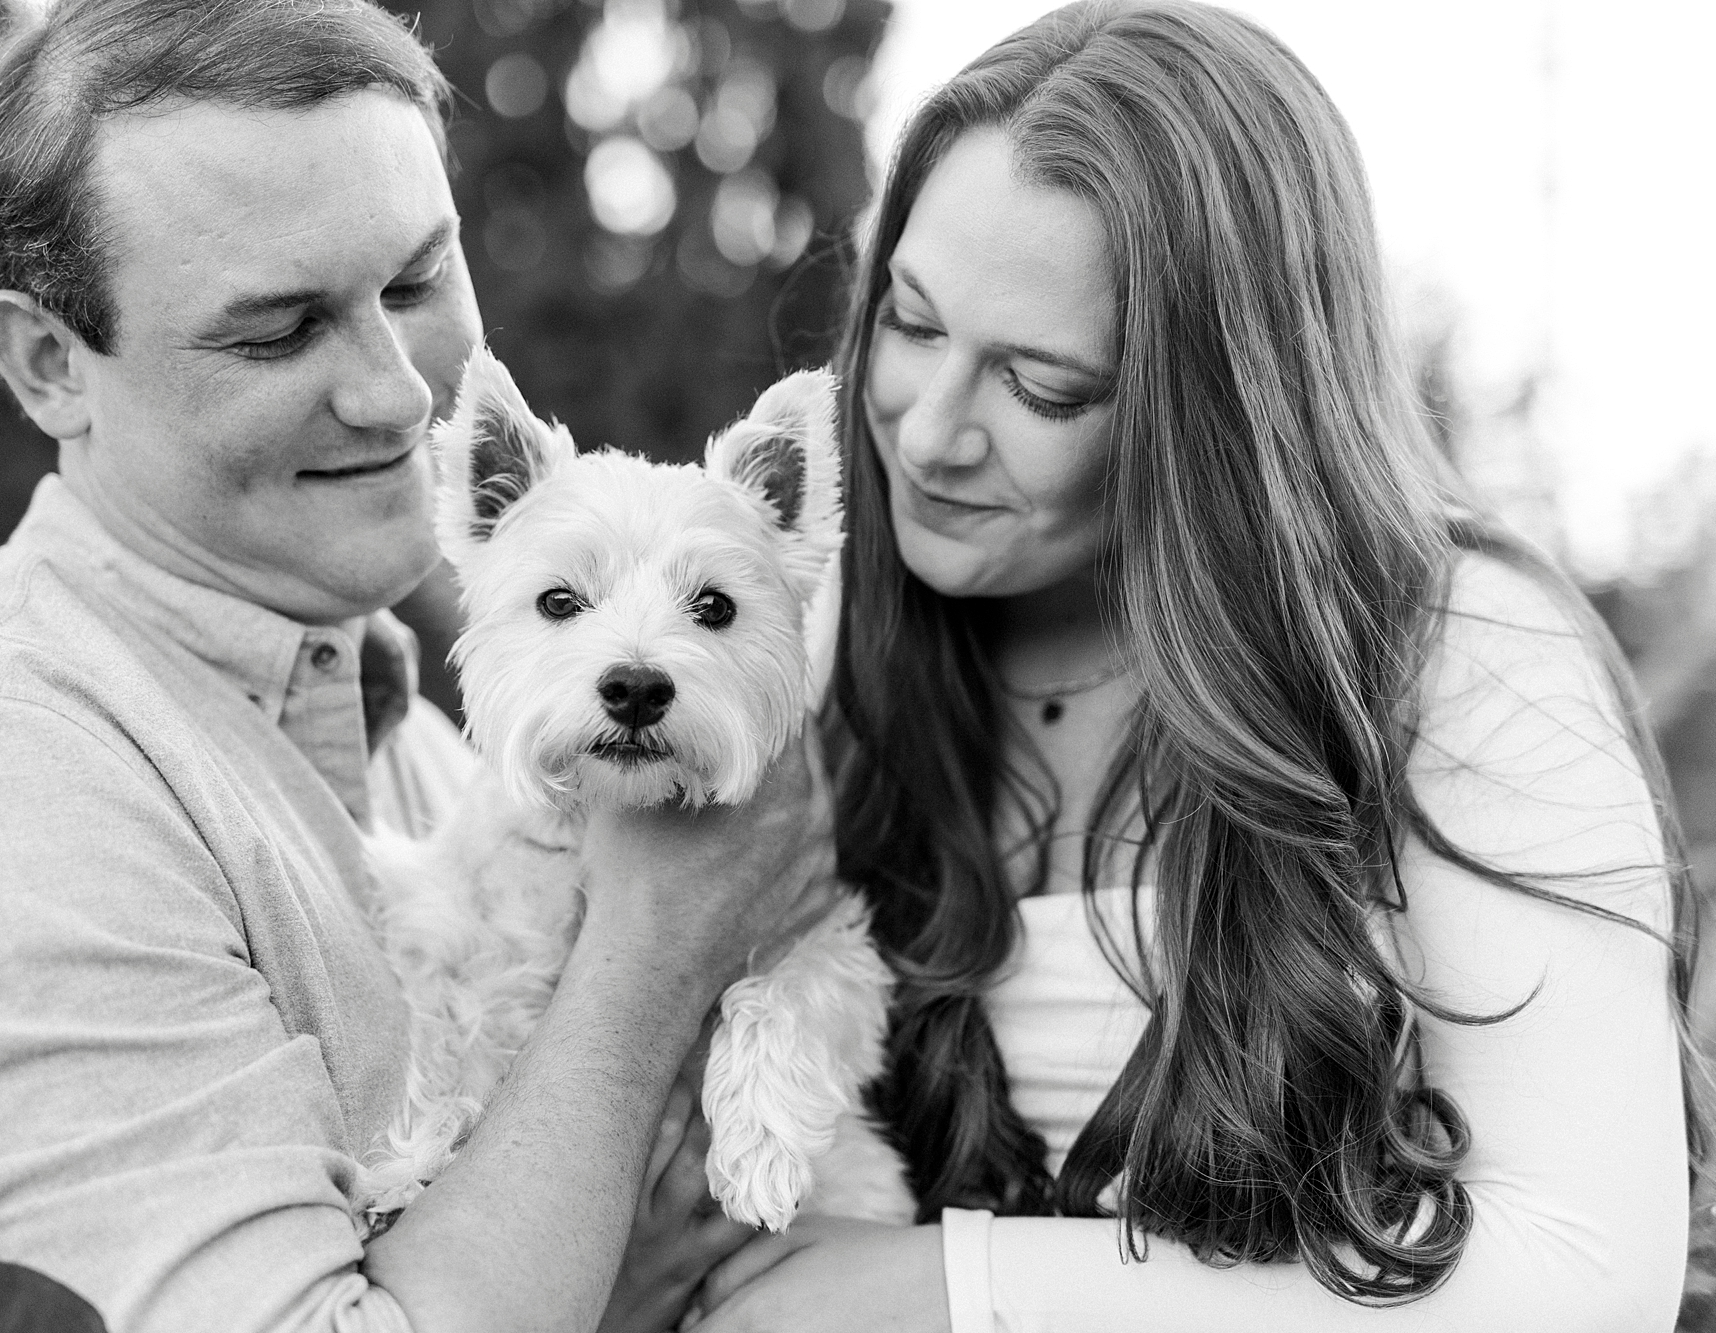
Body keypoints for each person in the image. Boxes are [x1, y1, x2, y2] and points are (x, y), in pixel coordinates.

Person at [0, 2, 812, 1330]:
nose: (401, 393)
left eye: (413, 283)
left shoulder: (418, 745)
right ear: (50, 363)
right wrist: (657, 950)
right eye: (280, 330)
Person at [685, 2, 1701, 1330]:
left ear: (1213, 412)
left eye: (1041, 387)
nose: (927, 433)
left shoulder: (1455, 645)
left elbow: (1581, 1268)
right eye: (912, 324)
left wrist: (963, 1288)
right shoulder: (801, 633)